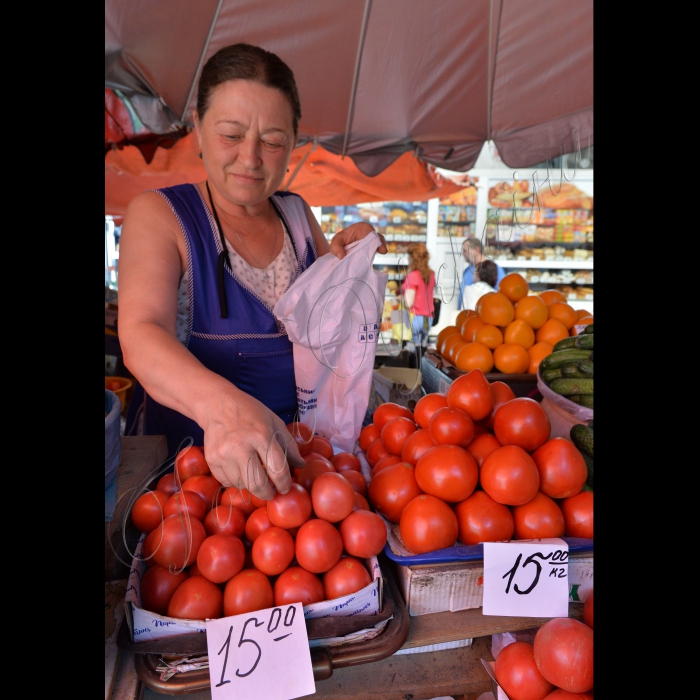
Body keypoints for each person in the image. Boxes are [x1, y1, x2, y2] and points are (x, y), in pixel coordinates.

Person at [118, 43, 386, 500]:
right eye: (231, 134)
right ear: (198, 129)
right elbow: (142, 335)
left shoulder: (298, 215)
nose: (250, 157)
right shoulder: (161, 215)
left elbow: (324, 327)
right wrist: (227, 411)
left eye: (273, 140)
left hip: (299, 476)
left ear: (293, 144)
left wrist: (343, 267)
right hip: (191, 481)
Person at [401, 243, 436, 347]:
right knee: (422, 346)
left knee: (412, 349)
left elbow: (408, 303)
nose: (407, 259)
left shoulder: (413, 276)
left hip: (415, 318)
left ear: (413, 258)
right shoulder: (431, 274)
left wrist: (399, 300)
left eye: (409, 256)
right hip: (427, 319)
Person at [458, 237, 506, 310]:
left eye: (465, 251)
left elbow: (501, 296)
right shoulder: (467, 270)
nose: (463, 254)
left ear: (476, 250)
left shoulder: (495, 269)